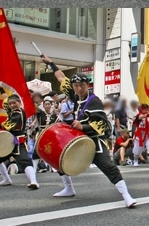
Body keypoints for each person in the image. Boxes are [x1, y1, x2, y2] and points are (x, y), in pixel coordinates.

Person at [39, 55, 137, 206]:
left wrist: (83, 126)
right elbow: (61, 77)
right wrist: (50, 63)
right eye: (76, 85)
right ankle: (69, 188)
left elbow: (104, 125)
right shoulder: (75, 95)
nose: (78, 88)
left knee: (109, 167)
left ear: (87, 85)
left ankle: (126, 196)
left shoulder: (94, 101)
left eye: (82, 85)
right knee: (59, 158)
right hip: (77, 139)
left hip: (94, 141)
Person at [0, 94, 39, 189]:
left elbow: (8, 125)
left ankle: (34, 181)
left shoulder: (18, 112)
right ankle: (6, 179)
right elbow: (5, 102)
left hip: (18, 141)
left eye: (14, 103)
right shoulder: (12, 112)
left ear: (19, 103)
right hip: (8, 141)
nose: (12, 105)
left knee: (24, 161)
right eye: (10, 104)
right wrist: (0, 89)